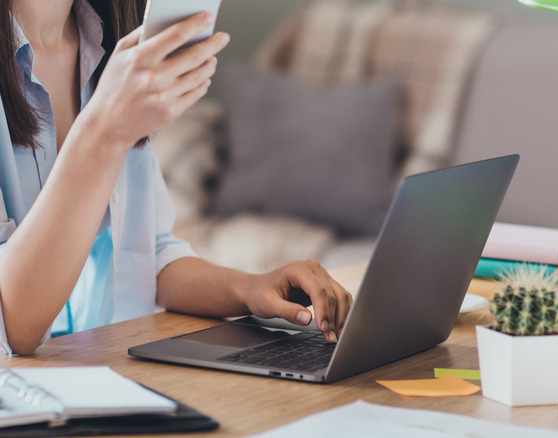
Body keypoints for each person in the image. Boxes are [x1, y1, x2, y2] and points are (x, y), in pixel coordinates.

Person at [0, 0, 352, 355]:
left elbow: (145, 254)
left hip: (108, 370)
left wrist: (251, 289)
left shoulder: (108, 45)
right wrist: (103, 131)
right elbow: (13, 325)